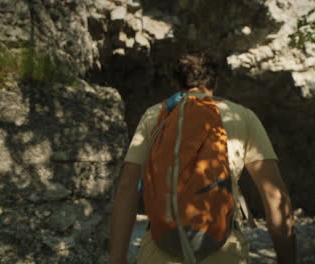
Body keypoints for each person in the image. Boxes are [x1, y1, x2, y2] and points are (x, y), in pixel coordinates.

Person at [110, 53, 296, 264]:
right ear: (215, 81)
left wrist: (117, 258)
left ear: (178, 82)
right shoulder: (242, 116)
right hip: (225, 251)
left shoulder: (155, 116)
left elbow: (127, 187)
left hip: (159, 250)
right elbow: (273, 194)